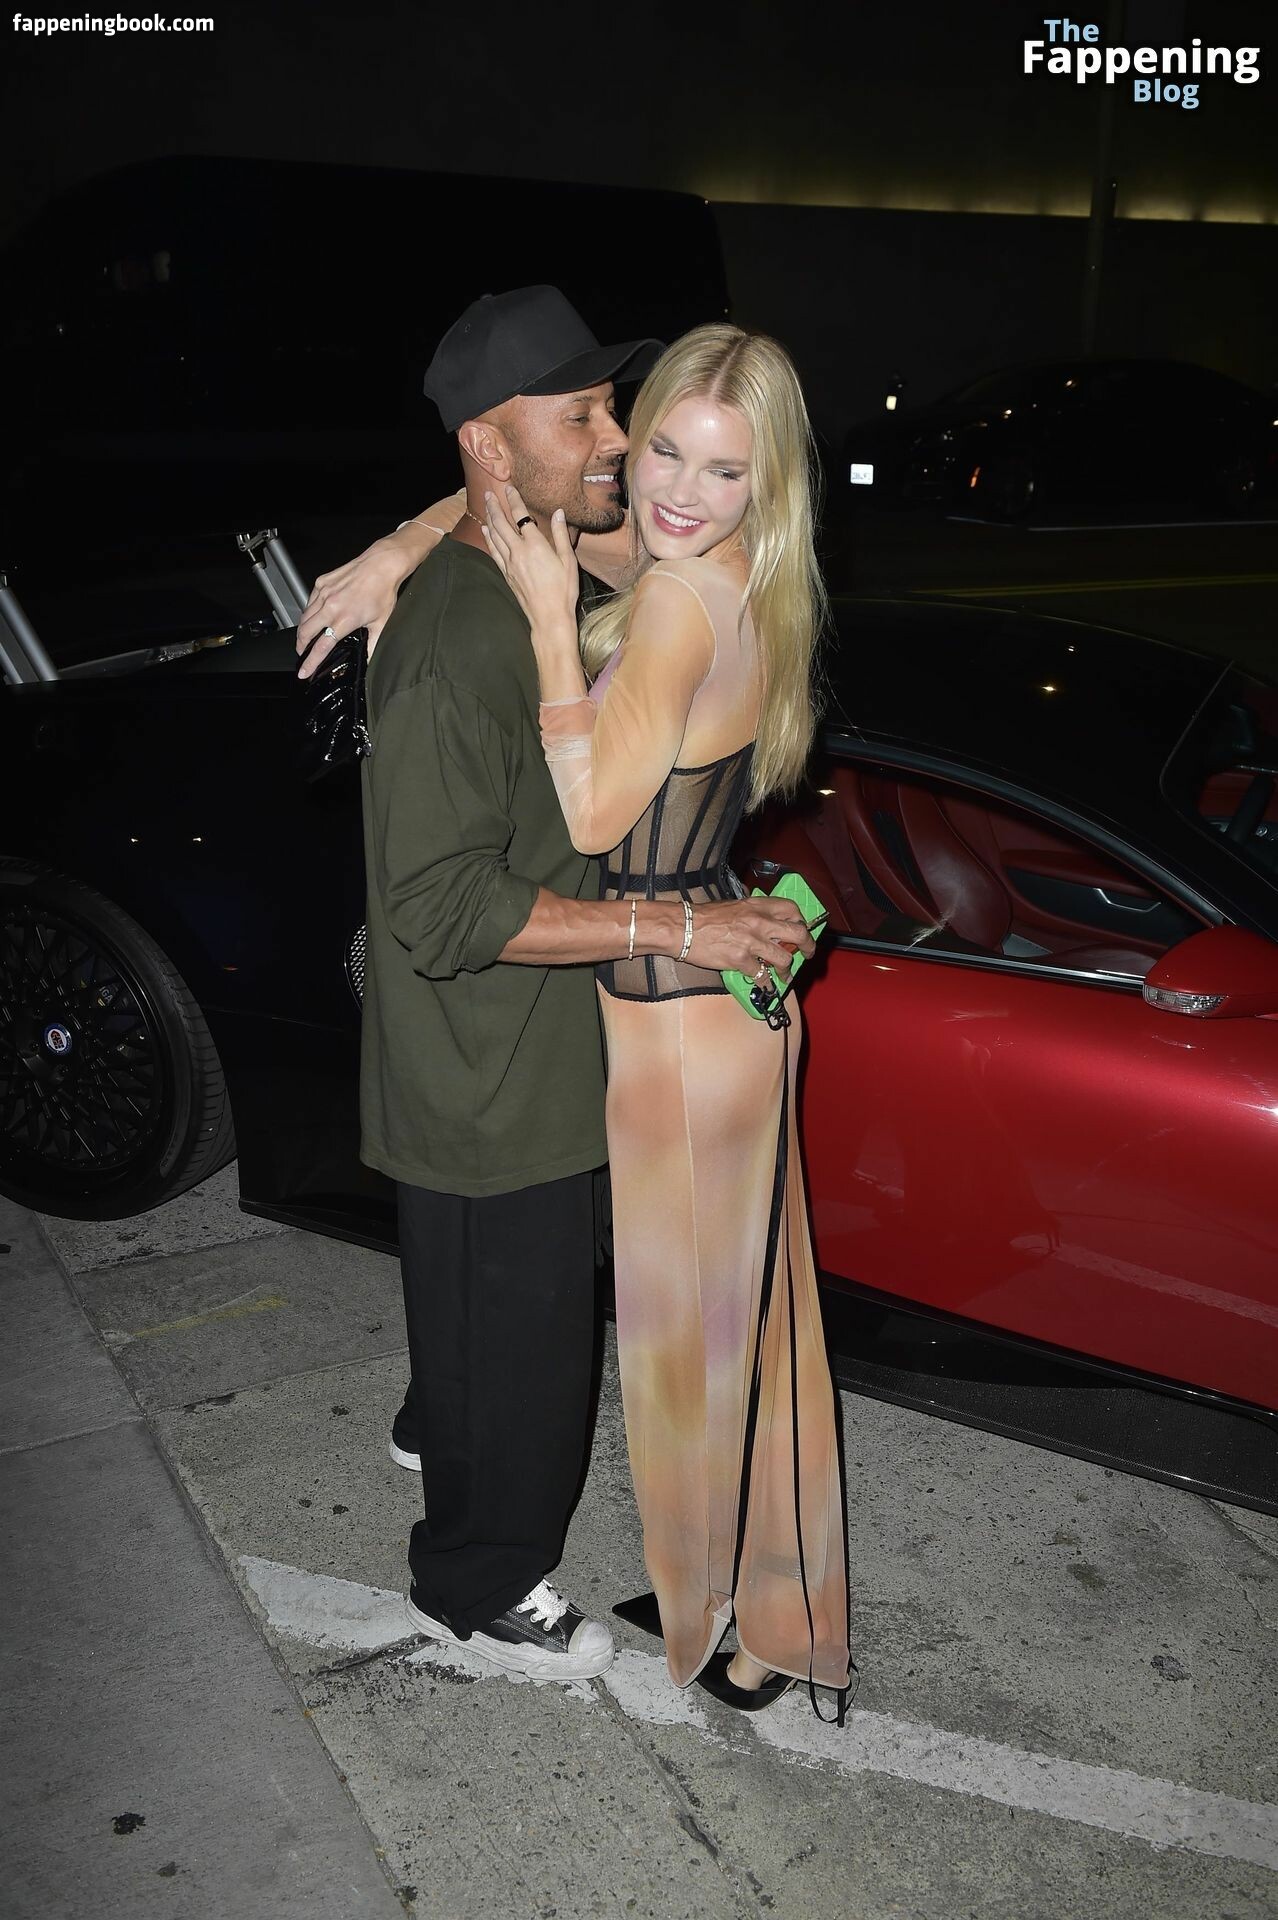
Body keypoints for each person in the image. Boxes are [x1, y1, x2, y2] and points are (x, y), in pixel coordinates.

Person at [296, 287, 815, 1688]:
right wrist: (678, 926)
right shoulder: (454, 645)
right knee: (522, 1348)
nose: (617, 439)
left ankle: (449, 1423)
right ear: (490, 440)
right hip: (488, 1067)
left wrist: (403, 534)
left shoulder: (555, 553)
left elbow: (563, 516)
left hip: (553, 1039)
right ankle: (476, 1581)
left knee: (505, 1325)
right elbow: (438, 905)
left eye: (612, 406)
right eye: (580, 414)